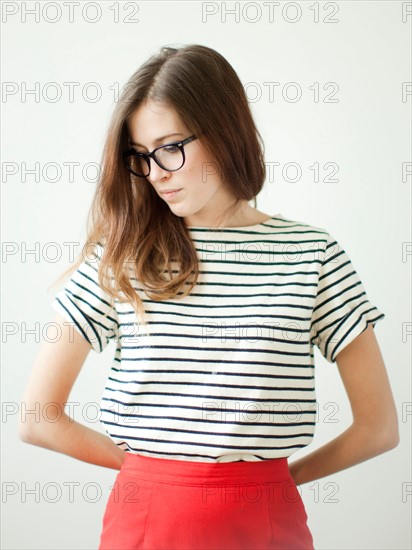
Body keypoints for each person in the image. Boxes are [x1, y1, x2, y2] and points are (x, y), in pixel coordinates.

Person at [18, 44, 399, 550]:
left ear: (224, 130)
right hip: (146, 522)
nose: (156, 173)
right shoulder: (122, 254)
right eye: (141, 157)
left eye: (170, 146)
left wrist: (270, 483)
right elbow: (37, 419)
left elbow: (379, 428)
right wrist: (153, 473)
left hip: (267, 525)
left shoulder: (312, 253)